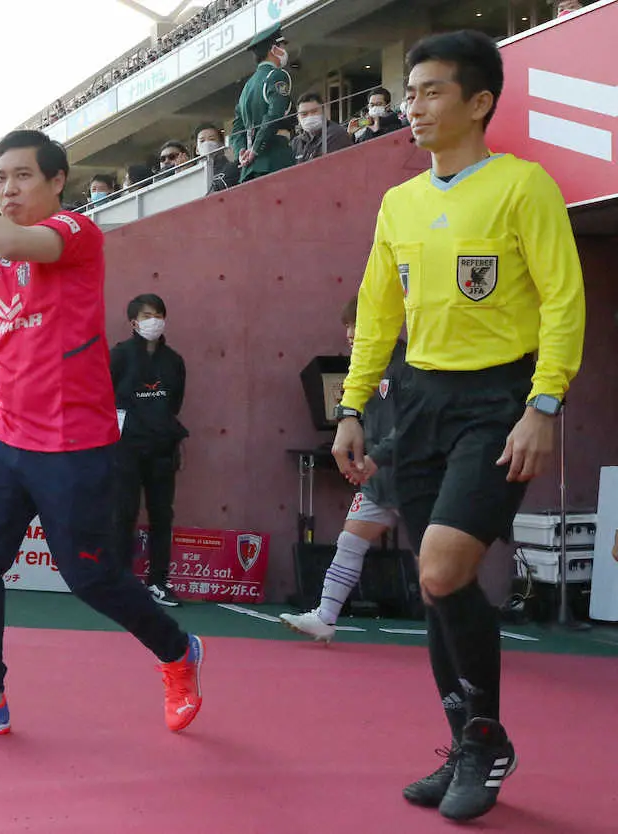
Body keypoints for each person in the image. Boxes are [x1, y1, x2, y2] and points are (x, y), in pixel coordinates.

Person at [332, 31, 585, 821]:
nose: (413, 106)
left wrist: (544, 404)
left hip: (498, 400)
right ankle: (468, 742)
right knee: (438, 586)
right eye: (409, 92)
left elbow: (563, 299)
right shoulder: (399, 203)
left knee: (442, 570)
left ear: (479, 102)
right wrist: (353, 407)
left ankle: (485, 741)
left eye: (432, 91)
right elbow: (378, 313)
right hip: (417, 400)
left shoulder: (524, 186)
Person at [0, 125, 203, 737]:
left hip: (73, 447)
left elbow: (11, 237)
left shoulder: (74, 232)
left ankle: (178, 651)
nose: (7, 189)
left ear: (58, 180)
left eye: (22, 176)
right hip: (7, 441)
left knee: (91, 578)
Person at [281, 296, 405, 641]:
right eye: (347, 325)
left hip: (417, 477)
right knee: (350, 540)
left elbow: (412, 425)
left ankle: (461, 633)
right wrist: (361, 458)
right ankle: (325, 617)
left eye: (357, 324)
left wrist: (376, 457)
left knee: (441, 563)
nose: (350, 333)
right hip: (379, 479)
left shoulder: (409, 363)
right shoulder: (362, 367)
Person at [111, 294, 189, 608]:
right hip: (126, 448)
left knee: (161, 515)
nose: (153, 321)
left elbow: (175, 403)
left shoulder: (174, 361)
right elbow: (104, 397)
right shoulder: (119, 356)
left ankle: (158, 581)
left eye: (158, 315)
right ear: (133, 322)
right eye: (146, 316)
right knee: (123, 513)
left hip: (162, 449)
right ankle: (119, 582)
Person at [231, 26, 295, 182]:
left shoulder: (247, 87)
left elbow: (237, 129)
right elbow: (274, 114)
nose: (284, 51)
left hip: (249, 169)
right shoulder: (276, 75)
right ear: (274, 49)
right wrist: (255, 149)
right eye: (282, 46)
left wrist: (241, 152)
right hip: (275, 159)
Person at [291, 92, 353, 163]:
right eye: (304, 114)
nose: (310, 116)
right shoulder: (297, 142)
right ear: (298, 118)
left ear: (324, 112)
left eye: (314, 111)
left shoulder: (335, 135)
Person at [195, 123, 240, 192]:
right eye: (202, 141)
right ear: (197, 150)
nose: (207, 143)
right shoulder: (194, 175)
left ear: (221, 145)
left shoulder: (232, 168)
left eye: (211, 139)